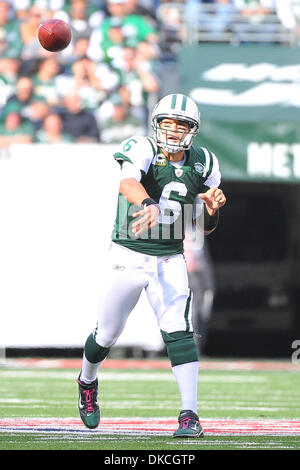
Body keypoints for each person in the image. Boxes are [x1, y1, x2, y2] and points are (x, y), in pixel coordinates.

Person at [77, 93, 226, 438]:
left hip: (170, 256)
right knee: (107, 334)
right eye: (168, 123)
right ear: (157, 123)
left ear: (193, 130)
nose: (174, 131)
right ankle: (87, 380)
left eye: (182, 125)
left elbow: (204, 225)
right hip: (128, 254)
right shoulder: (142, 147)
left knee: (179, 330)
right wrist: (148, 203)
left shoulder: (204, 162)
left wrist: (212, 208)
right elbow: (127, 182)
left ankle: (190, 414)